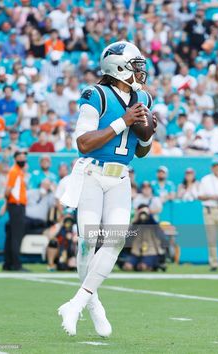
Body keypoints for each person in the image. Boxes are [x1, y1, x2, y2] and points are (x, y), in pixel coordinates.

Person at [58, 41, 157, 337]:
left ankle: (77, 302)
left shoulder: (143, 97)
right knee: (89, 240)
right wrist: (123, 121)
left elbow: (140, 152)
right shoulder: (97, 94)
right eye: (135, 65)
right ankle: (93, 304)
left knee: (113, 241)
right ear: (118, 67)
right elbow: (83, 143)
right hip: (91, 172)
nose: (141, 71)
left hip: (120, 178)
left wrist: (149, 134)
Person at [198, 158, 218, 273]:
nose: (217, 168)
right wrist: (211, 197)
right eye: (215, 166)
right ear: (211, 168)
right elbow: (200, 196)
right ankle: (214, 263)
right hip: (209, 209)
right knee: (211, 238)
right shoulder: (205, 180)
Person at [3, 151, 28, 271]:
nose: (23, 160)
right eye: (21, 158)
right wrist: (5, 204)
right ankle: (16, 264)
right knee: (16, 236)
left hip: (15, 206)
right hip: (17, 206)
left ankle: (7, 263)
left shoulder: (18, 172)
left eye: (24, 158)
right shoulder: (14, 171)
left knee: (11, 235)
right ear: (15, 159)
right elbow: (8, 190)